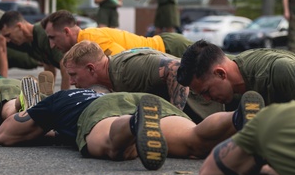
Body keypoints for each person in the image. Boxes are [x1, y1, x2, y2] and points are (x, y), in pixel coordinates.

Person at [0, 88, 265, 172]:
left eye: (73, 74)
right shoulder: (108, 86)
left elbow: (5, 135)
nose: (71, 79)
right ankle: (237, 118)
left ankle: (135, 123)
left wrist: (46, 130)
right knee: (197, 143)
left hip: (100, 110)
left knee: (115, 146)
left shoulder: (63, 97)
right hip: (146, 99)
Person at [60, 40, 222, 121]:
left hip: (215, 105)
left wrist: (174, 118)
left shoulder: (126, 69)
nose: (72, 82)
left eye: (73, 74)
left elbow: (174, 68)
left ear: (91, 69)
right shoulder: (112, 73)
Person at [43, 9, 191, 58]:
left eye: (52, 38)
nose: (51, 45)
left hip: (170, 47)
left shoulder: (90, 40)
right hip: (165, 46)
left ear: (67, 31)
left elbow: (124, 62)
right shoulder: (84, 43)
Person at [0, 10, 69, 89]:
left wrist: (64, 97)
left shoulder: (42, 33)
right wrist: (45, 97)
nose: (7, 40)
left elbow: (65, 65)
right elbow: (49, 68)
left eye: (8, 35)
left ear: (19, 27)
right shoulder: (31, 43)